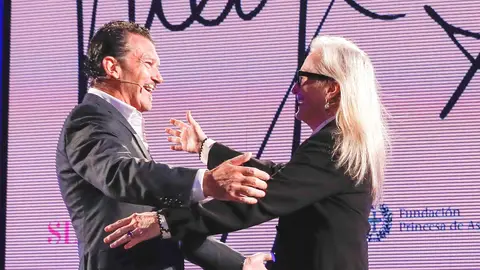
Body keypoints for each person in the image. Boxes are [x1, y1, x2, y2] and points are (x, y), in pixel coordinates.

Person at [103, 35, 390, 270]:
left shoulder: (335, 145)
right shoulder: (337, 141)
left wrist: (165, 222)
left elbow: (260, 197)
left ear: (332, 90)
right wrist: (205, 147)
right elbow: (276, 176)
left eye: (302, 79)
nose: (294, 90)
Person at [55, 21, 271, 270]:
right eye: (148, 64)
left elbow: (164, 224)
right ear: (112, 67)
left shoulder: (116, 125)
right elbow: (118, 174)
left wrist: (240, 264)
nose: (158, 77)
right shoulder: (88, 119)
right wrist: (206, 182)